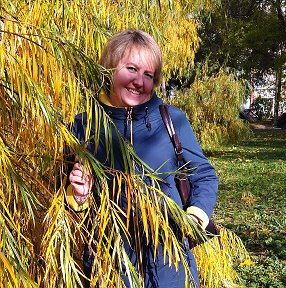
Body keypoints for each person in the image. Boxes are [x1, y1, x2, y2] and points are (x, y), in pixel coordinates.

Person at [66, 29, 218, 287]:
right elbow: (64, 193)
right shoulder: (83, 126)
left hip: (169, 259)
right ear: (110, 67)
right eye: (131, 69)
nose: (140, 81)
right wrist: (78, 195)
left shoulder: (172, 120)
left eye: (148, 75)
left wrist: (193, 218)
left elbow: (204, 174)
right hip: (109, 260)